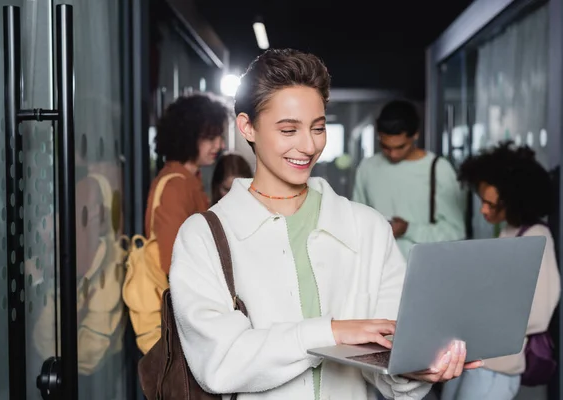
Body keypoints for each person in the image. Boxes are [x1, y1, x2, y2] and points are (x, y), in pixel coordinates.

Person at [168, 48, 481, 400]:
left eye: (318, 128)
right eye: (289, 130)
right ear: (247, 127)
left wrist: (417, 369)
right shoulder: (204, 237)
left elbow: (390, 362)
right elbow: (219, 363)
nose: (309, 146)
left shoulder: (368, 229)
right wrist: (329, 333)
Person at [442, 141, 561, 400]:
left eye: (492, 205)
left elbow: (539, 313)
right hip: (476, 358)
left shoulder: (537, 236)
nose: (484, 210)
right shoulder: (508, 230)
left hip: (499, 365)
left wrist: (478, 316)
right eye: (482, 200)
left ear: (514, 201)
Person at [352, 100, 465, 258]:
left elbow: (456, 232)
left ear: (416, 134)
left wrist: (408, 229)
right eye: (385, 147)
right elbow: (356, 226)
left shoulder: (439, 169)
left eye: (400, 147)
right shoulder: (367, 168)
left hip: (424, 272)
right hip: (378, 272)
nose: (393, 154)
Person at [146, 92, 229, 274]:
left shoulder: (188, 180)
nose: (220, 145)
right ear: (188, 137)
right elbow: (173, 262)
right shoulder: (175, 187)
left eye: (220, 137)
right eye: (210, 138)